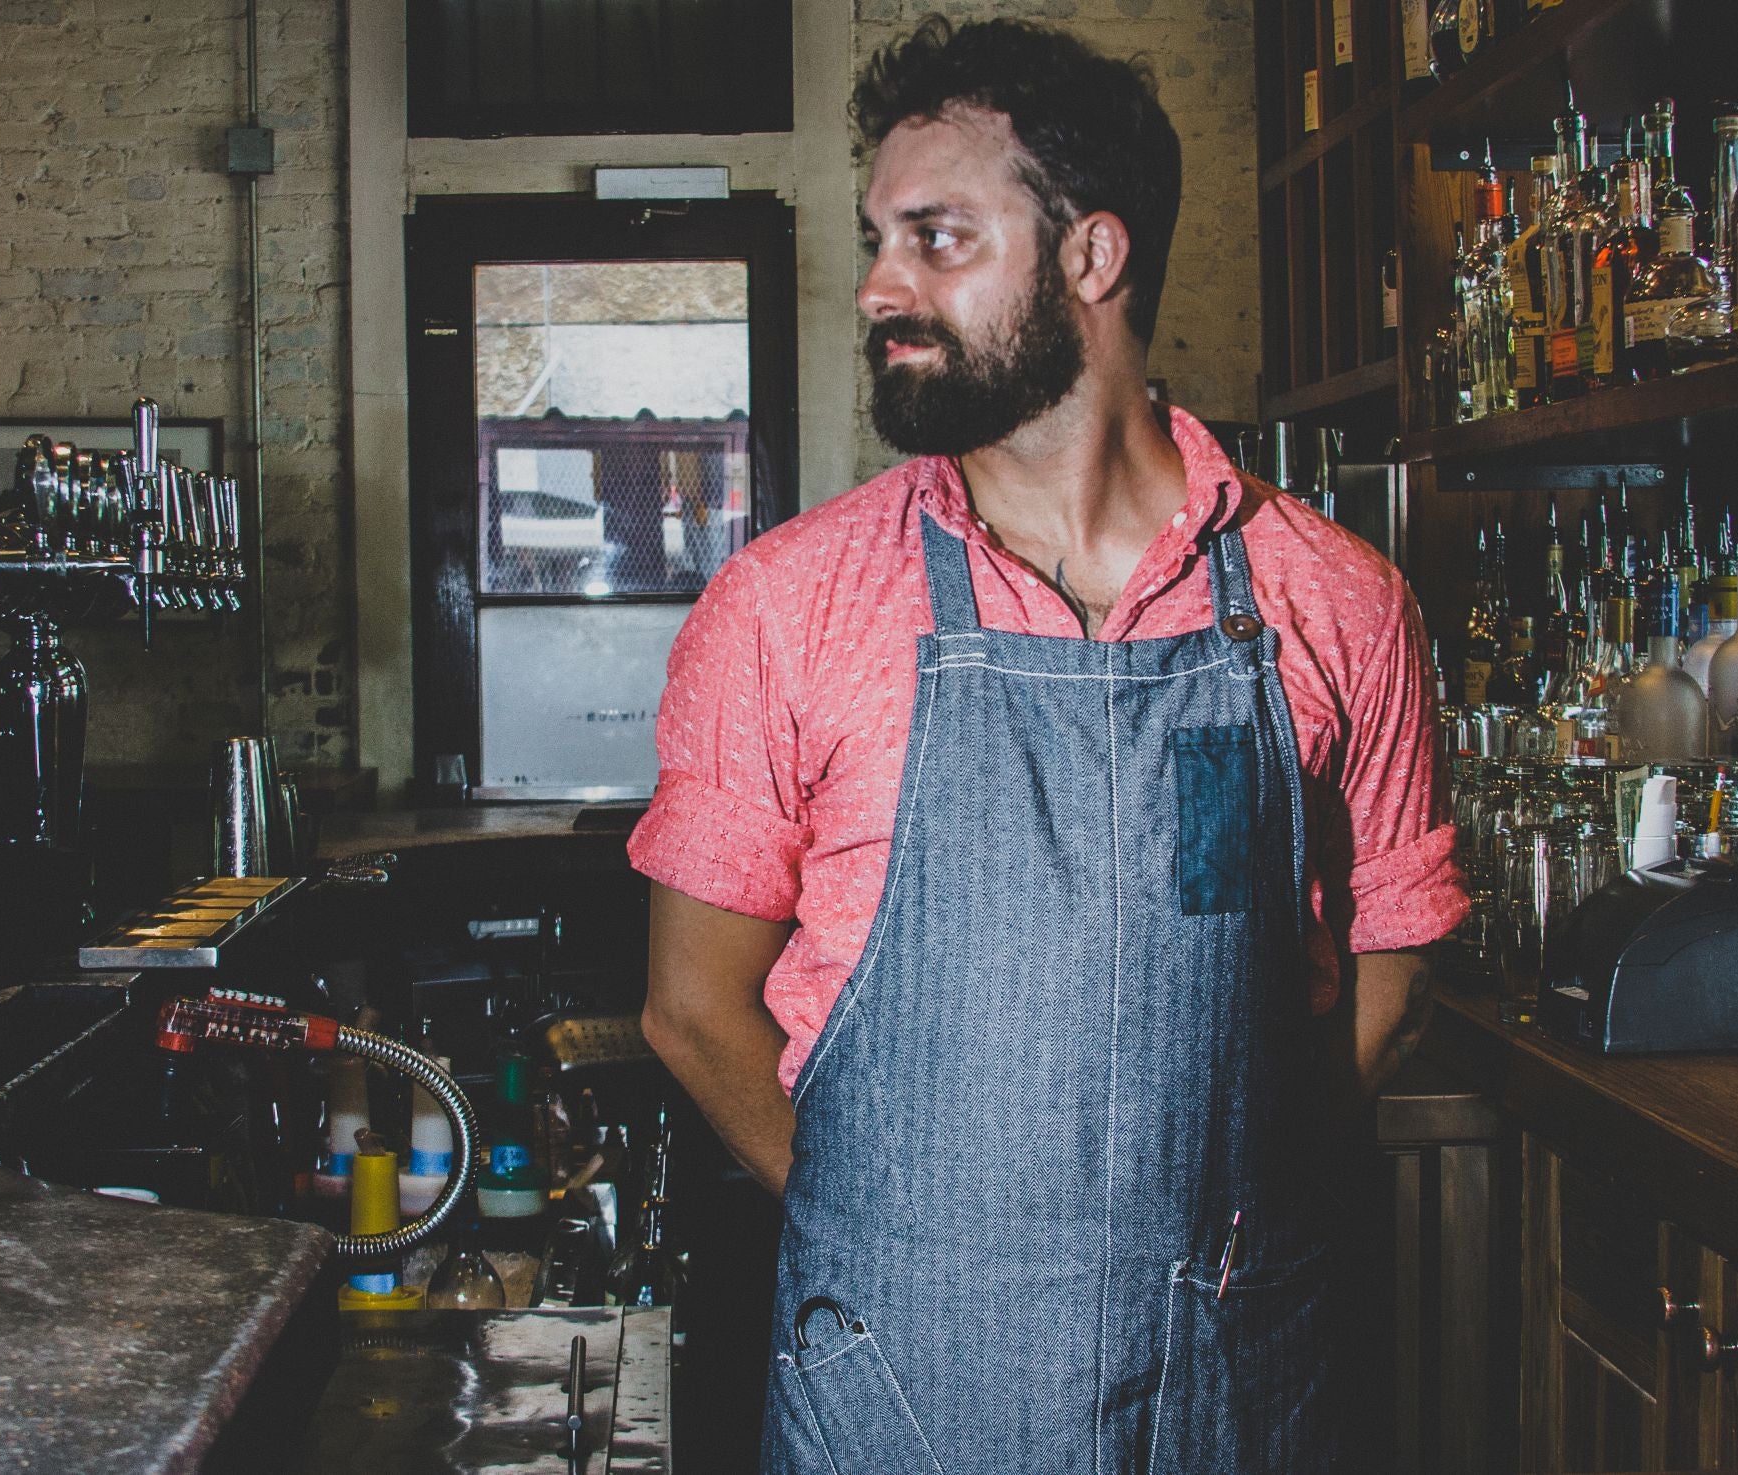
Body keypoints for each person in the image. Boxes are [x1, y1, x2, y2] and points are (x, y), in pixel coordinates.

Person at [628, 18, 1468, 1472]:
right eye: (877, 238)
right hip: (896, 1385)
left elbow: (1391, 946)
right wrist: (887, 1241)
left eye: (936, 238)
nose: (880, 287)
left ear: (1090, 256)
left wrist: (1225, 1209)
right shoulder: (784, 607)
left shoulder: (1336, 599)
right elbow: (691, 1011)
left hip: (1233, 1378)